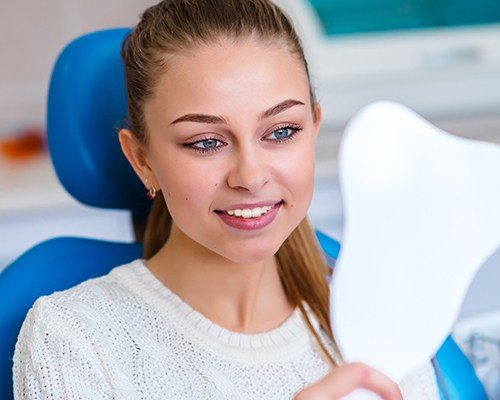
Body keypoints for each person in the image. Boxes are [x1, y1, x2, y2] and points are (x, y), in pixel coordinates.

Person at [12, 1, 440, 398]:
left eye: (281, 132)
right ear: (141, 159)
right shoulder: (74, 340)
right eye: (206, 142)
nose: (251, 177)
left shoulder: (383, 321)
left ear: (314, 127)